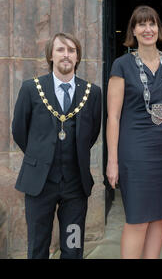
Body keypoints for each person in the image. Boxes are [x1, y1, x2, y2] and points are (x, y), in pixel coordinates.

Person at [12, 33, 102, 259]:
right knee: (38, 247)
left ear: (77, 57)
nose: (66, 55)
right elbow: (19, 131)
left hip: (75, 186)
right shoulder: (31, 89)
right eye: (61, 49)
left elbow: (92, 134)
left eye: (71, 50)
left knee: (73, 247)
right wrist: (39, 156)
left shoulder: (92, 93)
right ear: (51, 55)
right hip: (39, 183)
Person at [106, 5, 162, 259]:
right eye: (142, 24)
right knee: (138, 218)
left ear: (159, 29)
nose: (148, 29)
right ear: (133, 31)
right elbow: (113, 117)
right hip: (134, 151)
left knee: (160, 216)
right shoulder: (121, 65)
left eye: (152, 24)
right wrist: (112, 161)